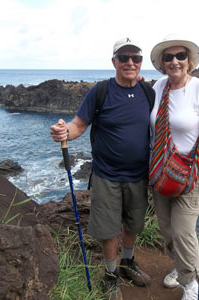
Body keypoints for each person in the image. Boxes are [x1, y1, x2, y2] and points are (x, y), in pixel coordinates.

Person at [49, 37, 153, 300]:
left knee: (133, 222)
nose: (130, 62)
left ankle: (127, 263)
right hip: (107, 174)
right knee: (107, 228)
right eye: (124, 58)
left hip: (139, 173)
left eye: (136, 58)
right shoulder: (100, 91)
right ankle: (110, 275)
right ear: (114, 62)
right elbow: (79, 125)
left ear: (141, 63)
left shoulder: (148, 92)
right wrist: (64, 132)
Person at [149, 34, 199, 300]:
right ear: (162, 62)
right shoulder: (158, 87)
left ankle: (191, 283)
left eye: (180, 56)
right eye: (168, 57)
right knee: (167, 230)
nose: (175, 61)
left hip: (190, 174)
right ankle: (179, 268)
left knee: (183, 233)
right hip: (161, 172)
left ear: (189, 60)